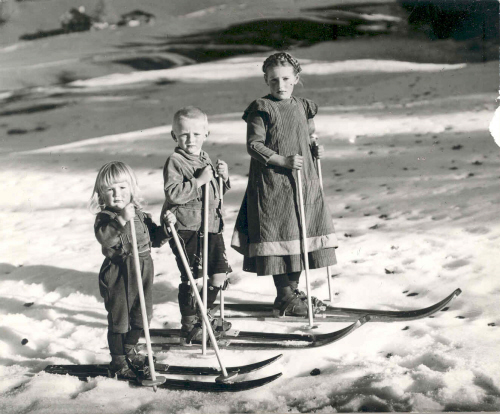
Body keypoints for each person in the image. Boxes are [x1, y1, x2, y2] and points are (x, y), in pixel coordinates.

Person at [231, 52, 338, 317]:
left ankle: (292, 292)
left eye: (286, 79)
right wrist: (282, 160)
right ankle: (284, 294)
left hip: (303, 181)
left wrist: (316, 150)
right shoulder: (261, 108)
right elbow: (254, 146)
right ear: (266, 80)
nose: (280, 85)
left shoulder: (303, 106)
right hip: (273, 184)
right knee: (278, 235)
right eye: (274, 80)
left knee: (300, 233)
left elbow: (308, 136)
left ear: (296, 79)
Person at [90, 161, 176, 379]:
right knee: (120, 318)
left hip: (143, 270)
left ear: (132, 189)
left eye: (122, 187)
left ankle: (129, 350)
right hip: (119, 273)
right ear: (101, 194)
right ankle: (118, 361)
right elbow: (105, 238)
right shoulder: (106, 218)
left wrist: (166, 228)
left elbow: (154, 239)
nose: (117, 194)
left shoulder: (140, 215)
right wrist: (120, 220)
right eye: (110, 189)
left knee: (141, 315)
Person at [161, 106, 232, 343]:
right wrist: (199, 180)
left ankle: (204, 314)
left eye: (196, 134)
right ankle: (190, 324)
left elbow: (214, 193)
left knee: (219, 275)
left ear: (206, 134)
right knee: (193, 277)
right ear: (174, 136)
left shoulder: (205, 158)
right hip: (186, 227)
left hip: (211, 226)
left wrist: (223, 177)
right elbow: (173, 194)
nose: (190, 139)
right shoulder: (175, 161)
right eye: (184, 134)